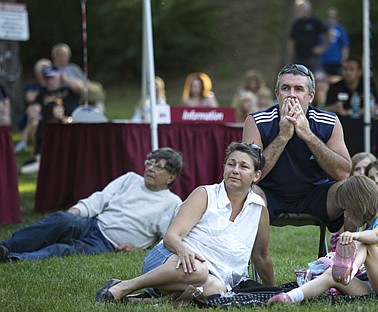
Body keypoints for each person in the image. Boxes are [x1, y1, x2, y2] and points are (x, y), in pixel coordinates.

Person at [95, 142, 275, 305]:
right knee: (199, 270)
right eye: (231, 164)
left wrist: (274, 293)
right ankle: (124, 286)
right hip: (169, 259)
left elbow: (260, 256)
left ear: (256, 175)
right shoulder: (205, 194)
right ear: (224, 167)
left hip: (212, 276)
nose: (235, 170)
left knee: (217, 290)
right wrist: (184, 250)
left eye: (243, 166)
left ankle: (144, 302)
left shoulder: (259, 210)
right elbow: (171, 237)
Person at [0, 148, 183, 262]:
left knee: (62, 250)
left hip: (108, 244)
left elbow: (167, 240)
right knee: (62, 219)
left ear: (171, 177)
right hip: (93, 224)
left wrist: (139, 249)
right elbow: (100, 199)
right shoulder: (130, 178)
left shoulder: (173, 204)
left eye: (159, 166)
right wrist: (74, 213)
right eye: (149, 162)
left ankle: (12, 258)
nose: (150, 168)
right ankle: (6, 246)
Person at [267, 175, 378, 305]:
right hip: (371, 286)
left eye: (346, 209)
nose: (346, 215)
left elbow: (375, 236)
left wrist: (354, 236)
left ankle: (349, 271)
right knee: (331, 275)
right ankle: (290, 297)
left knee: (365, 244)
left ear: (359, 206)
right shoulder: (365, 230)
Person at [242, 63, 352, 234]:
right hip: (269, 193)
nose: (291, 95)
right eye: (286, 88)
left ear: (310, 96)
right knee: (248, 191)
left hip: (316, 194)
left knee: (351, 188)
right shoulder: (257, 121)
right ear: (277, 94)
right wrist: (283, 136)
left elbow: (343, 173)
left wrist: (308, 135)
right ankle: (257, 258)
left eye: (299, 89)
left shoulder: (328, 121)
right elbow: (250, 176)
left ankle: (345, 255)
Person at [330, 151, 377, 249]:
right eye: (357, 169)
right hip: (348, 243)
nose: (362, 172)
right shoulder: (346, 198)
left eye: (365, 168)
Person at [15, 59, 51, 153]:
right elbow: (30, 99)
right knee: (35, 116)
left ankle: (25, 142)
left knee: (35, 118)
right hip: (33, 115)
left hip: (46, 113)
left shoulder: (52, 85)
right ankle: (36, 150)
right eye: (41, 70)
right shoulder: (32, 85)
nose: (44, 72)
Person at [288, 0, 331, 73]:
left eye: (299, 9)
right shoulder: (297, 24)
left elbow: (328, 33)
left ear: (306, 9)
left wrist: (322, 48)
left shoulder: (315, 21)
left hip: (312, 56)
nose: (298, 11)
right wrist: (293, 54)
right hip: (299, 57)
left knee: (317, 77)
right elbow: (292, 40)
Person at [320, 8, 350, 76]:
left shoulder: (340, 29)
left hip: (337, 60)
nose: (331, 19)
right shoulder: (323, 28)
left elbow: (345, 46)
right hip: (325, 60)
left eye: (333, 17)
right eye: (330, 17)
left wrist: (344, 60)